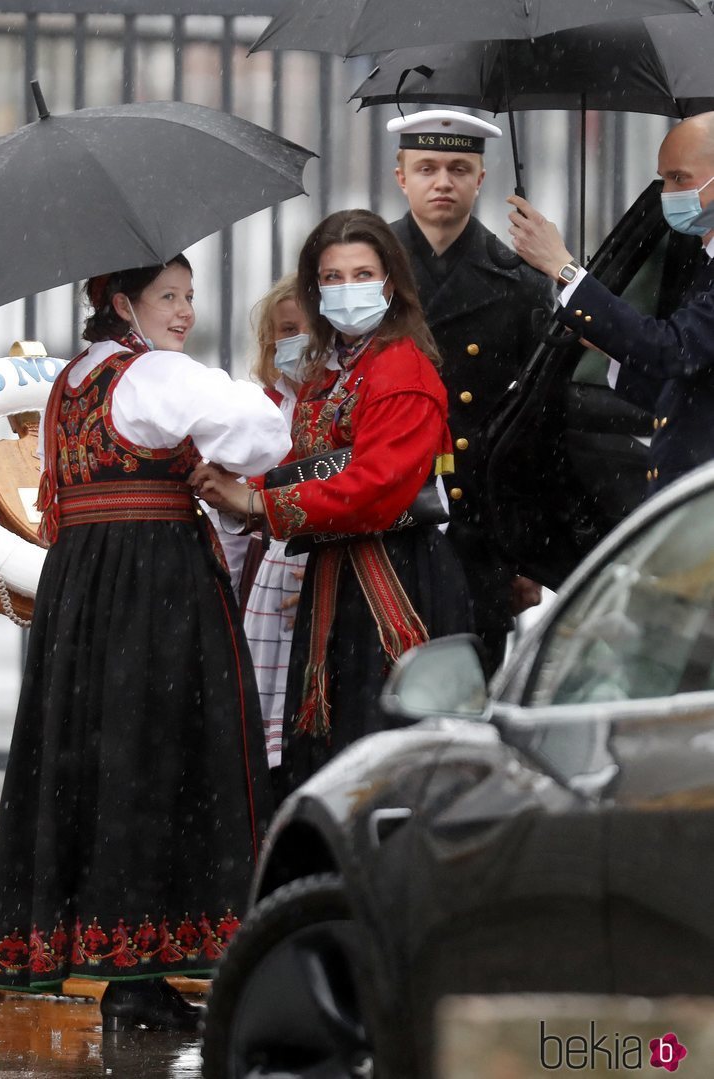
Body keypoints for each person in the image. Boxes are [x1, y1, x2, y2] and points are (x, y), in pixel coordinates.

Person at [0, 254, 291, 1032]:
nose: (183, 312)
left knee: (95, 764)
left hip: (82, 591)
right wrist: (241, 400)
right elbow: (264, 434)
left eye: (189, 296)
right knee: (164, 760)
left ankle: (120, 971)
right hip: (157, 586)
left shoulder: (68, 384)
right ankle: (139, 978)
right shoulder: (156, 377)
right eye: (167, 297)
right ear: (121, 301)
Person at [193, 210, 472, 795]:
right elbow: (307, 466)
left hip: (394, 580)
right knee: (333, 751)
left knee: (383, 748)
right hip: (336, 578)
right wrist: (239, 487)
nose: (348, 290)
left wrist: (260, 505)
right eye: (333, 277)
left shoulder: (401, 369)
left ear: (390, 284)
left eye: (362, 274)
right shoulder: (336, 370)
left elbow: (376, 487)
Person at [387, 110, 552, 674]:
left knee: (466, 707)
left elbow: (536, 427)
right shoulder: (363, 274)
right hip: (384, 520)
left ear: (481, 179)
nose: (443, 182)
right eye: (426, 167)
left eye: (459, 168)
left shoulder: (520, 282)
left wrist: (525, 555)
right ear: (400, 176)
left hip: (479, 532)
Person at [507, 111, 714, 494]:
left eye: (679, 178)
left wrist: (563, 268)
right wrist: (605, 343)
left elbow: (671, 349)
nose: (667, 195)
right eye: (664, 178)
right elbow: (687, 393)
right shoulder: (704, 264)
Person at [242, 273, 311, 771]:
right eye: (287, 330)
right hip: (271, 572)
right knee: (264, 714)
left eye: (310, 329)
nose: (300, 343)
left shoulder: (350, 405)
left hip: (329, 566)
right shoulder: (254, 411)